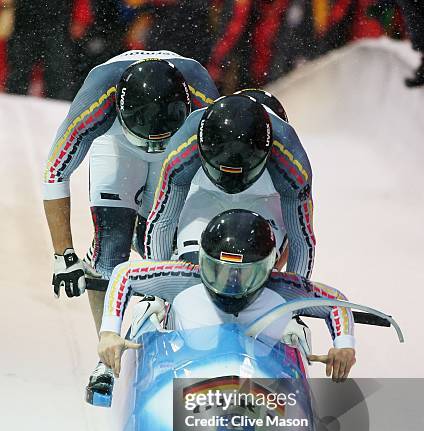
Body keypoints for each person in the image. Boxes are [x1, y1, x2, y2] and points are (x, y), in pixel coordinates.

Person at [43, 50, 219, 399]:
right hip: (119, 144)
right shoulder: (97, 101)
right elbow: (55, 172)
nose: (152, 146)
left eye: (159, 139)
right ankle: (106, 357)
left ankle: (174, 333)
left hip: (178, 150)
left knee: (172, 246)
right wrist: (63, 254)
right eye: (148, 138)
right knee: (112, 240)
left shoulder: (204, 101)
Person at [98, 210, 356, 386]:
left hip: (259, 382)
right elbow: (125, 274)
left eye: (246, 274)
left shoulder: (282, 287)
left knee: (292, 331)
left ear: (268, 268)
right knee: (150, 308)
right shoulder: (184, 276)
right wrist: (109, 332)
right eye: (220, 270)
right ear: (203, 262)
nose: (232, 282)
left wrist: (344, 345)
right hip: (188, 375)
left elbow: (336, 302)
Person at [144, 94, 315, 276]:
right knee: (192, 270)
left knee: (254, 273)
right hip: (206, 196)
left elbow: (299, 239)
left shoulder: (291, 161)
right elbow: (164, 220)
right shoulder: (183, 146)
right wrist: (154, 292)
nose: (231, 182)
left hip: (265, 201)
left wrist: (292, 292)